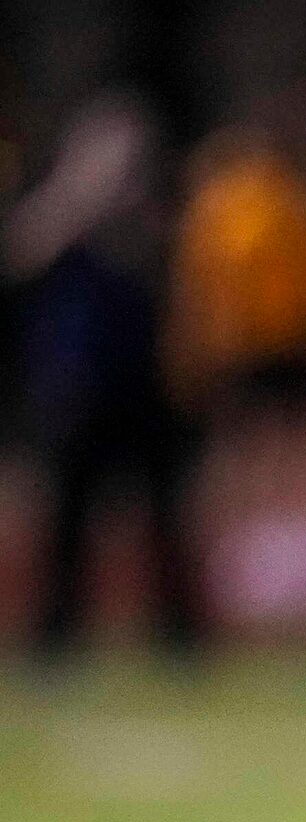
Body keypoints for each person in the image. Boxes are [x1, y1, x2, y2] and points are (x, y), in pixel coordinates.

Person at [8, 90, 206, 667]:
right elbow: (22, 255)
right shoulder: (58, 207)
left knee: (164, 521)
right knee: (68, 524)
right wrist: (76, 203)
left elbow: (181, 269)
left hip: (143, 387)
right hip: (75, 390)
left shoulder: (153, 212)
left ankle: (180, 640)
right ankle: (57, 640)